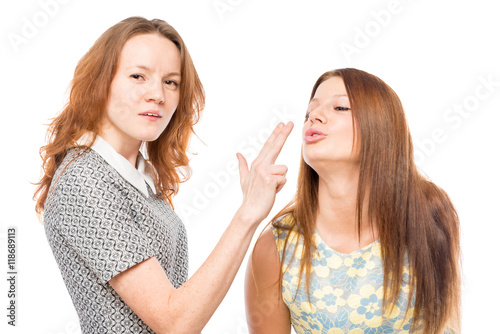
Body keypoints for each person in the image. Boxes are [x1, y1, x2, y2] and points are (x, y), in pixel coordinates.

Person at [34, 16, 293, 334]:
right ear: (100, 84)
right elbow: (175, 322)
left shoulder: (137, 178)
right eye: (138, 76)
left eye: (171, 82)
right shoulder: (86, 181)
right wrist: (247, 215)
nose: (157, 94)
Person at [245, 68, 461, 334]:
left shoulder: (429, 213)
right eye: (309, 112)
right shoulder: (276, 246)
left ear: (380, 125)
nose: (314, 116)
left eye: (339, 107)